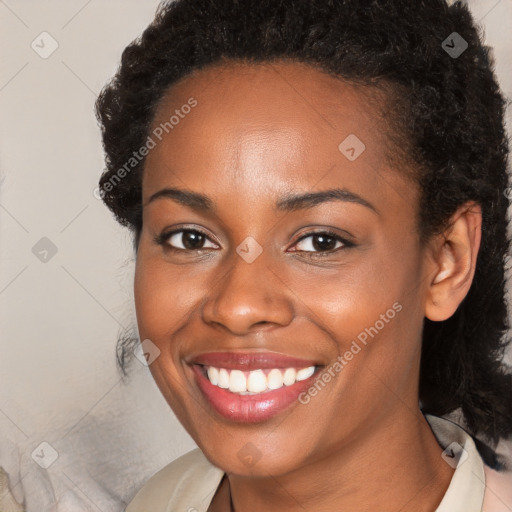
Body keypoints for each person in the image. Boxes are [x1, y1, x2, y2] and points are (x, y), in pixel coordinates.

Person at [95, 0, 512, 510]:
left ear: (447, 261)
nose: (238, 306)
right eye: (190, 238)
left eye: (321, 241)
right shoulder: (158, 501)